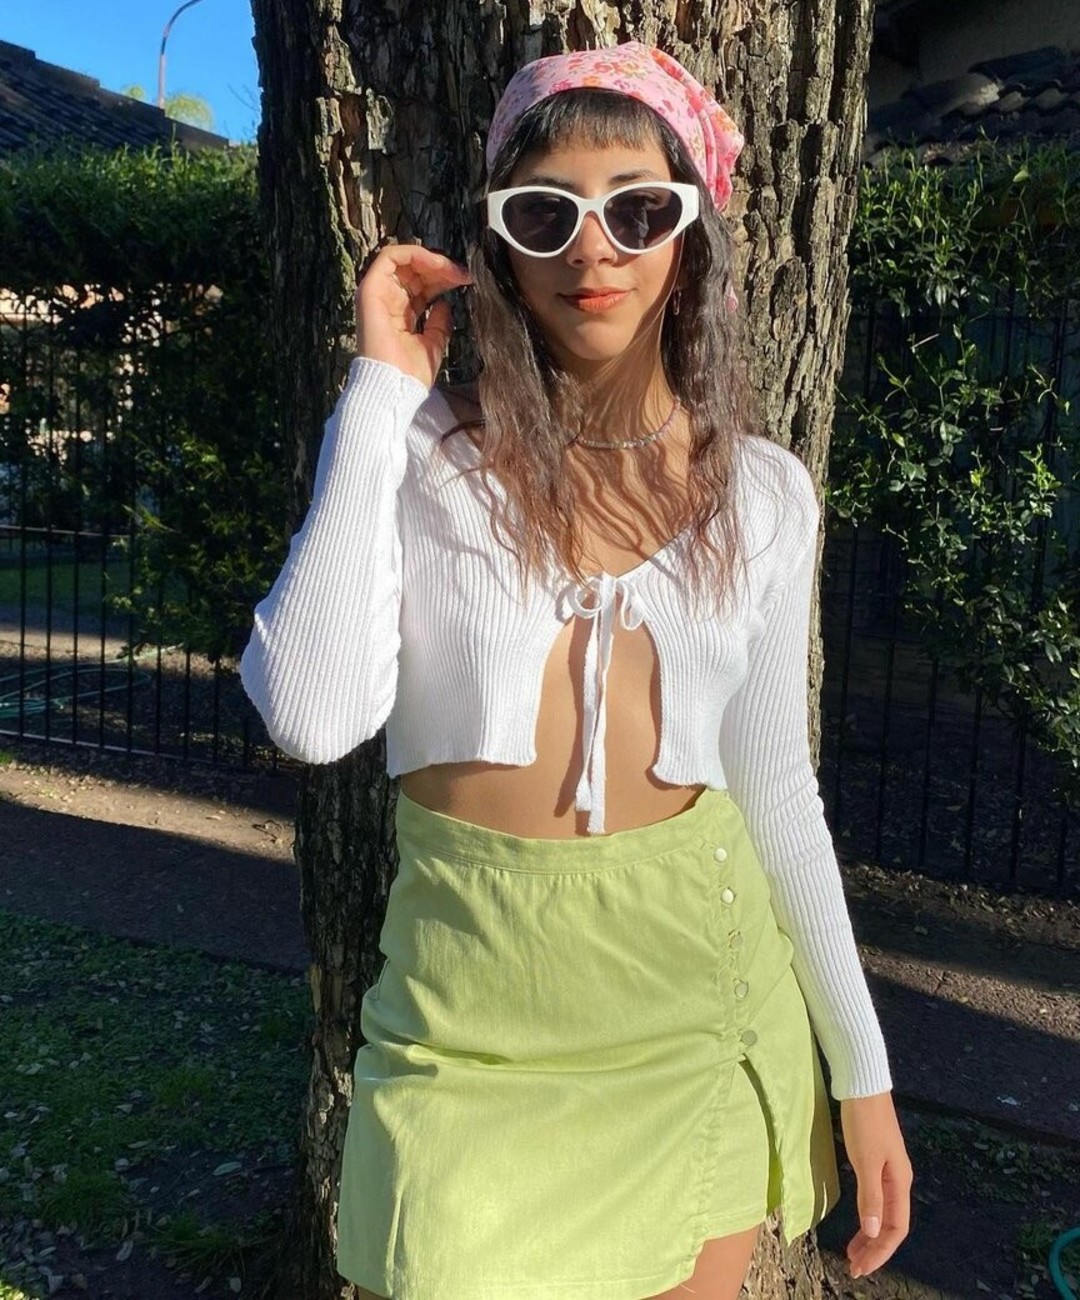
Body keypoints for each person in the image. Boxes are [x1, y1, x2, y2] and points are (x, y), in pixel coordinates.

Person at [240, 40, 913, 1300]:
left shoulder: (765, 495)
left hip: (696, 1013)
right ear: (500, 244)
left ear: (689, 239)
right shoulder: (420, 455)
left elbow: (778, 791)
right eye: (546, 213)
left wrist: (862, 1072)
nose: (592, 249)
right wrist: (380, 393)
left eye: (637, 210)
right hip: (464, 1031)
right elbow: (311, 715)